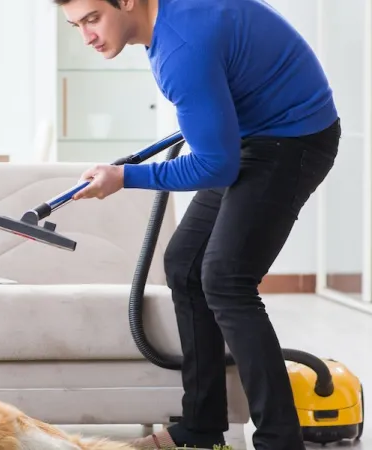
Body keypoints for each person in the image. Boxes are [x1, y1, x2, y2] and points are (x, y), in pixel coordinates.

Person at [54, 0, 340, 449]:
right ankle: (201, 427)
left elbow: (215, 167)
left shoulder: (181, 48)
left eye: (92, 19)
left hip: (294, 139)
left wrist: (126, 177)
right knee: (185, 263)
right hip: (254, 134)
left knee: (226, 279)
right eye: (75, 25)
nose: (87, 36)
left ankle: (279, 442)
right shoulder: (170, 28)